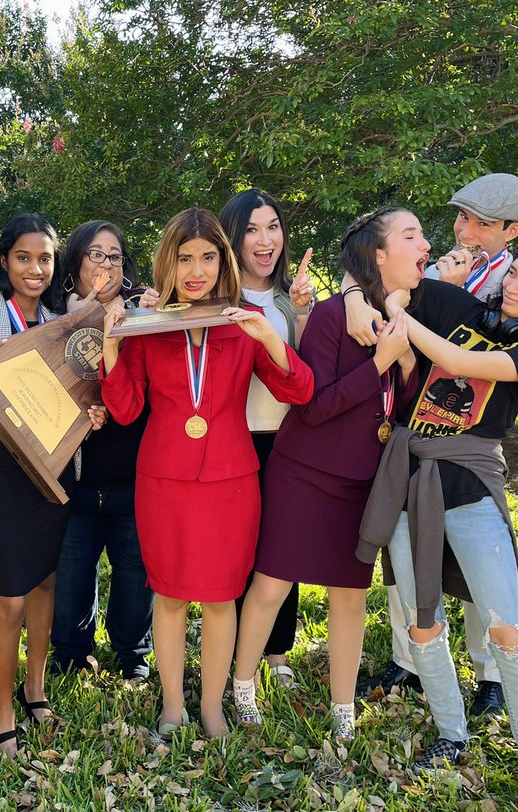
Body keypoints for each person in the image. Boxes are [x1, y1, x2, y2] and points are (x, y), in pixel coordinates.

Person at [356, 231, 518, 812]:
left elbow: (459, 362)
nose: (512, 286)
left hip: (470, 487)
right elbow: (375, 276)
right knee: (421, 621)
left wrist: (396, 314)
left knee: (510, 632)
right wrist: (384, 297)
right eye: (514, 273)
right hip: (411, 482)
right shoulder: (462, 306)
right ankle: (450, 734)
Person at [100, 208, 314, 738]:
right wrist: (112, 344)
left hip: (230, 481)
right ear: (168, 263)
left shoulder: (243, 324)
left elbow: (300, 391)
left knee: (221, 598)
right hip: (164, 481)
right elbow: (125, 409)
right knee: (169, 597)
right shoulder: (149, 326)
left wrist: (269, 338)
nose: (196, 270)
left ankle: (212, 707)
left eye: (208, 257)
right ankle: (173, 707)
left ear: (223, 262)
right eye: (185, 258)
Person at [231, 207, 425, 740]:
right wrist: (381, 364)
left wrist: (404, 369)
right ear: (377, 255)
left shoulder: (401, 315)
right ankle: (242, 685)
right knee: (271, 583)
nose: (425, 243)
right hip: (305, 471)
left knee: (350, 594)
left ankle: (344, 709)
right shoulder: (333, 315)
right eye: (412, 235)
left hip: (363, 479)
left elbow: (399, 407)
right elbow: (313, 406)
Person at [349, 172, 518, 715]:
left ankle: (490, 672)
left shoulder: (515, 289)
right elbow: (368, 267)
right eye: (460, 216)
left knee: (479, 558)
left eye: (480, 222)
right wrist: (358, 294)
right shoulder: (434, 269)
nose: (465, 230)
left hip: (470, 438)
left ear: (512, 230)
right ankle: (410, 661)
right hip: (412, 425)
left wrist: (443, 287)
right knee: (404, 550)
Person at [0, 213, 102, 757]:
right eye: (24, 257)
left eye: (46, 258)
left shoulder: (66, 324)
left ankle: (35, 690)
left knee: (46, 585)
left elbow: (79, 403)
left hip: (55, 468)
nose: (35, 268)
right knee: (10, 597)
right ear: (4, 260)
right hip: (2, 468)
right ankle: (4, 708)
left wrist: (91, 416)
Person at [49, 221, 154, 681]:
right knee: (72, 574)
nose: (106, 264)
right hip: (74, 476)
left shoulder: (142, 314)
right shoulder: (51, 318)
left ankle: (133, 654)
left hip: (131, 470)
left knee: (135, 574)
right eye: (95, 254)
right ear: (74, 263)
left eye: (115, 256)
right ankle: (71, 654)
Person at [219, 188, 315, 687]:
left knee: (283, 549)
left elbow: (308, 374)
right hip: (233, 441)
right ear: (233, 239)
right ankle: (239, 655)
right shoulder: (214, 299)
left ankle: (277, 654)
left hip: (288, 440)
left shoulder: (293, 297)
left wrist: (301, 312)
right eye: (252, 229)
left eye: (273, 226)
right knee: (241, 550)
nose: (265, 239)